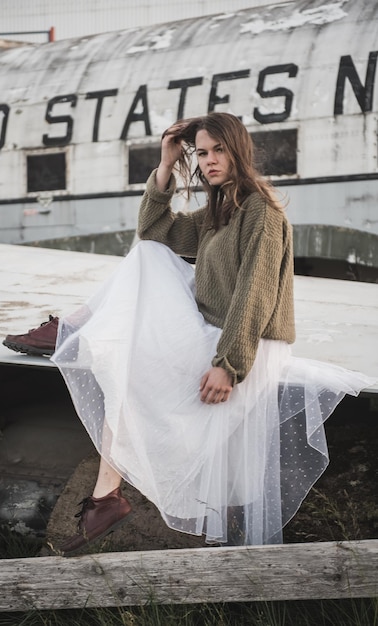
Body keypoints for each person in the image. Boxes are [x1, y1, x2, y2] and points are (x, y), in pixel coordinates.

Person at [49, 112, 375, 555]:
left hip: (247, 345)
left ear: (239, 150)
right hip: (215, 331)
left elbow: (253, 295)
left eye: (218, 150)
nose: (209, 160)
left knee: (128, 368)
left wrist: (228, 366)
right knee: (147, 257)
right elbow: (152, 230)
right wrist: (166, 165)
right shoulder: (218, 212)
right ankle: (107, 496)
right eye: (201, 153)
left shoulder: (261, 211)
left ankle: (76, 332)